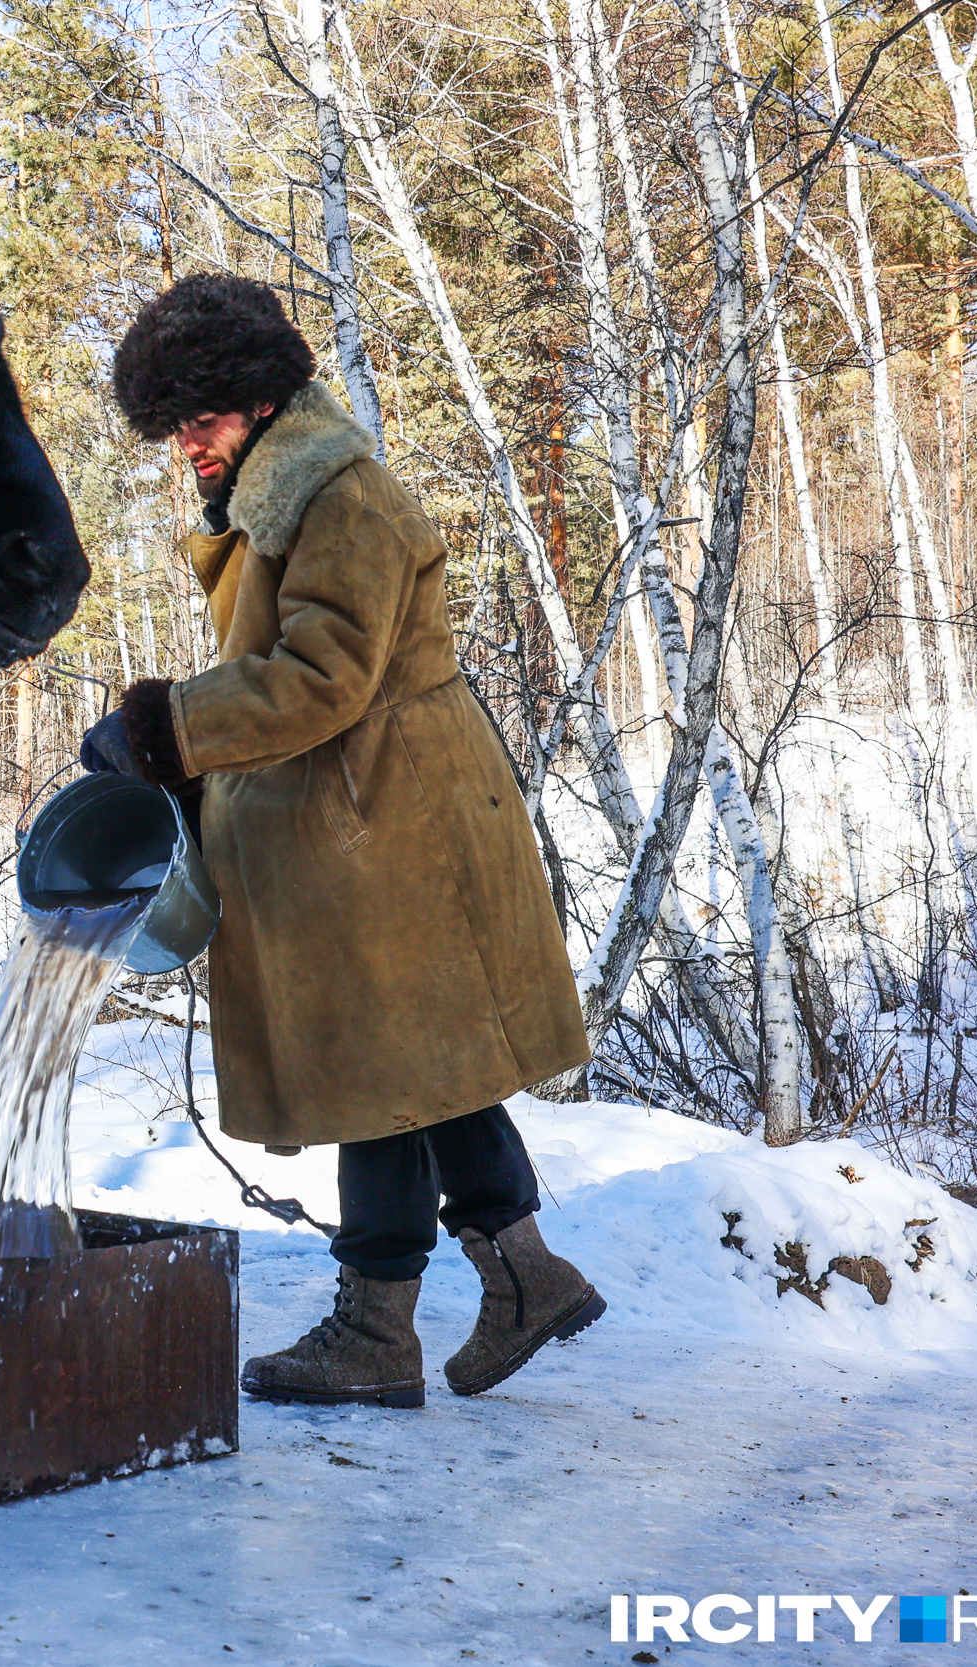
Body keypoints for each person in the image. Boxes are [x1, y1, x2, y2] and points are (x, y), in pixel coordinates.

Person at [83, 273, 604, 1409]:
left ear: (261, 400)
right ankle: (522, 1273)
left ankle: (383, 1325)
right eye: (173, 428)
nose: (186, 446)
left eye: (199, 420)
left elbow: (324, 674)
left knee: (386, 1074)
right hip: (358, 823)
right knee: (414, 1068)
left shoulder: (344, 496)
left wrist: (164, 727)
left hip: (390, 820)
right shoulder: (289, 494)